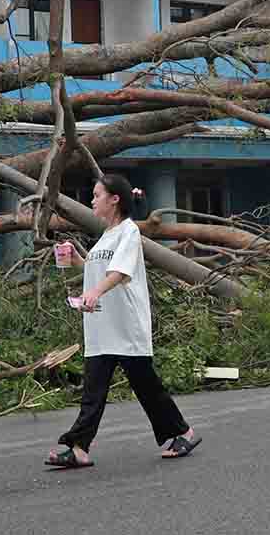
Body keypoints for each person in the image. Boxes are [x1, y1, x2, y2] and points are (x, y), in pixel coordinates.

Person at [45, 173, 202, 469]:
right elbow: (99, 265)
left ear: (114, 199)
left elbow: (119, 273)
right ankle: (78, 449)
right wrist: (76, 261)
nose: (92, 200)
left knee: (147, 389)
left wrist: (93, 292)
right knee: (93, 391)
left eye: (96, 195)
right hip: (102, 328)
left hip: (126, 328)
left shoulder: (128, 232)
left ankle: (183, 432)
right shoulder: (107, 235)